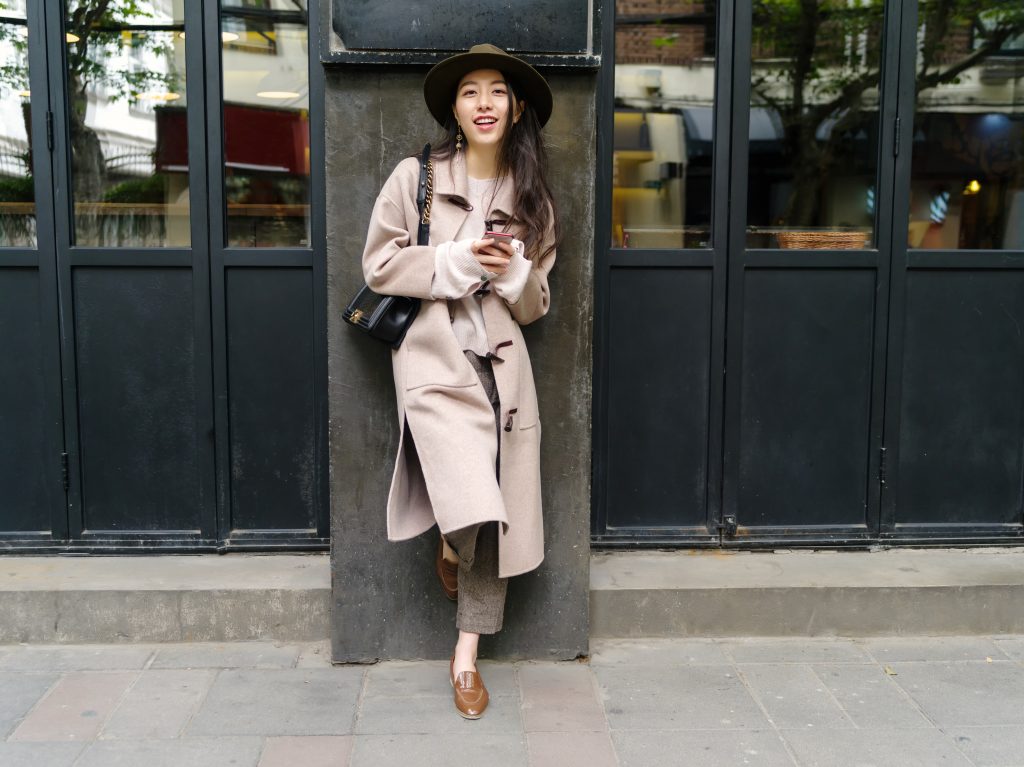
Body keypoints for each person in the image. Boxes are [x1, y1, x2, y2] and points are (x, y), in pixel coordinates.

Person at [361, 43, 558, 719]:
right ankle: (448, 539)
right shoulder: (413, 177)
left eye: (497, 90)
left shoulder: (532, 195)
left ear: (517, 105)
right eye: (470, 91)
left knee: (493, 513)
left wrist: (510, 272)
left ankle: (465, 655)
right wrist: (453, 258)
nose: (483, 102)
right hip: (434, 361)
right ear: (454, 106)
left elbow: (536, 306)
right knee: (471, 499)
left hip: (501, 368)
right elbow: (381, 265)